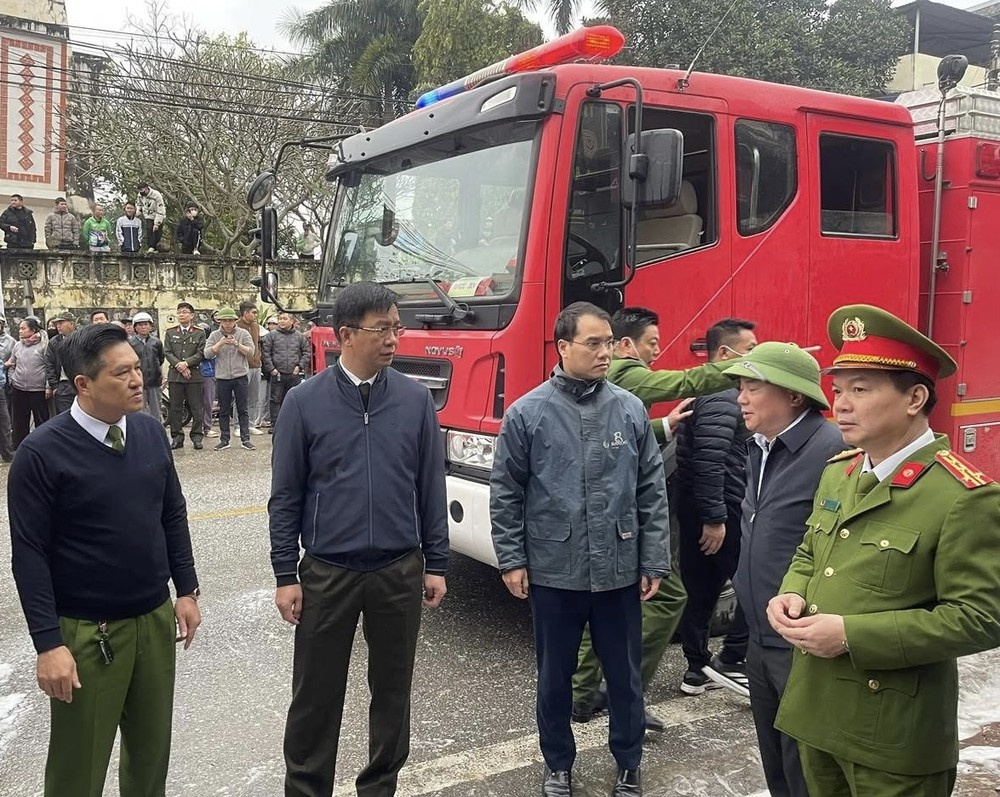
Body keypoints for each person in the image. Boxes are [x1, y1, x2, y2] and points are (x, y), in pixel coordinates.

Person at [767, 305, 1000, 796]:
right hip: (818, 712)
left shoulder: (963, 496)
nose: (841, 405)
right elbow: (811, 550)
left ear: (915, 397)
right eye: (837, 390)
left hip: (893, 733)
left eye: (861, 389)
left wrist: (852, 634)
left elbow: (981, 618)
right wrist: (790, 592)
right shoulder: (841, 471)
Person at [270, 281, 448, 797]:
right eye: (382, 329)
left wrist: (435, 563)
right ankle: (306, 788)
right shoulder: (304, 403)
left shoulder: (415, 400)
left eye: (397, 327)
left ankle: (380, 785)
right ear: (346, 334)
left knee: (392, 692)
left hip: (398, 569)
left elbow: (429, 489)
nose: (395, 338)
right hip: (328, 571)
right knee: (315, 695)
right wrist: (286, 574)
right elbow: (285, 496)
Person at [8, 322, 201, 797]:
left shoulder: (151, 434)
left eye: (138, 368)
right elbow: (28, 553)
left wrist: (187, 589)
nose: (138, 380)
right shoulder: (42, 453)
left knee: (151, 755)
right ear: (83, 384)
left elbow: (171, 514)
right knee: (80, 763)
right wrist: (48, 644)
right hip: (87, 632)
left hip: (153, 621)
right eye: (122, 373)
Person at [491, 301, 669, 797]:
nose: (605, 352)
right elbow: (507, 492)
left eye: (609, 342)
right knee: (554, 678)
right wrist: (512, 559)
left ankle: (629, 763)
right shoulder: (528, 412)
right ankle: (558, 765)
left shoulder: (629, 408)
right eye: (593, 343)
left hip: (617, 569)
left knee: (625, 676)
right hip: (554, 570)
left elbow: (650, 489)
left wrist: (653, 557)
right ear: (562, 346)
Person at [571, 306, 740, 726]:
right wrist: (752, 365)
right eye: (651, 344)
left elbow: (622, 436)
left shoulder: (604, 387)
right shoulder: (626, 372)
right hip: (618, 514)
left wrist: (664, 425)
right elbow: (685, 380)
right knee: (666, 597)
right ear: (626, 345)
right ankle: (620, 692)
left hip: (607, 513)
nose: (657, 353)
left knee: (608, 600)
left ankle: (586, 692)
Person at [721, 341, 845, 797]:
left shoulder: (833, 451)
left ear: (794, 396)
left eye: (753, 387)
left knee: (807, 771)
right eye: (740, 387)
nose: (741, 398)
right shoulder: (761, 446)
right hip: (761, 637)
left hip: (801, 641)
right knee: (776, 764)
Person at [675, 318, 757, 697]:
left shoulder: (723, 396)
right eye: (751, 349)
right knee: (752, 585)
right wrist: (715, 519)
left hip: (705, 507)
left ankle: (698, 668)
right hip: (719, 509)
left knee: (702, 588)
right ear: (725, 354)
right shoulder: (723, 398)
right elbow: (709, 461)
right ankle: (731, 659)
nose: (757, 357)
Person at [204, 306, 255, 451]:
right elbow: (207, 354)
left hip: (240, 376)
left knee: (242, 409)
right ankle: (224, 440)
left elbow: (251, 352)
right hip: (222, 377)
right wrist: (219, 344)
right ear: (220, 321)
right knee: (224, 410)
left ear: (235, 320)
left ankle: (245, 439)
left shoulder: (243, 333)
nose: (227, 323)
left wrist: (237, 344)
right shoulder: (214, 335)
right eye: (224, 321)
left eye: (230, 320)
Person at [163, 302, 206, 450]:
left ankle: (197, 437)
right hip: (176, 375)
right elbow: (167, 352)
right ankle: (177, 437)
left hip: (194, 375)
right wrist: (180, 366)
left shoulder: (199, 332)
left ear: (192, 315)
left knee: (196, 408)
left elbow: (201, 352)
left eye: (185, 312)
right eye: (179, 312)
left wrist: (186, 363)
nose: (182, 314)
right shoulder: (170, 332)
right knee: (176, 408)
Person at [262, 311, 311, 432]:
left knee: (294, 400)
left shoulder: (300, 337)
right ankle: (275, 425)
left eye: (285, 318)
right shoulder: (271, 336)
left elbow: (306, 352)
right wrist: (271, 369)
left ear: (292, 321)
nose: (282, 321)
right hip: (277, 373)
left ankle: (293, 424)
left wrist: (299, 366)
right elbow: (266, 353)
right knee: (275, 400)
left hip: (293, 374)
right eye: (280, 318)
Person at [6, 317, 50, 447]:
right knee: (20, 421)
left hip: (38, 390)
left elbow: (49, 366)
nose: (20, 331)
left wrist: (48, 386)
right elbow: (12, 364)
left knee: (41, 421)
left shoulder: (43, 345)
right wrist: (13, 379)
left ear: (33, 329)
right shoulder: (18, 345)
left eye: (23, 328)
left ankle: (43, 446)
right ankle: (20, 447)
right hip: (19, 389)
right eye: (19, 328)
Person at [129, 311, 165, 420]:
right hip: (139, 382)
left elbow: (161, 358)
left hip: (154, 382)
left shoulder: (156, 342)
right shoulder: (131, 343)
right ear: (135, 327)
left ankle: (157, 434)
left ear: (150, 326)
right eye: (140, 325)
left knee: (156, 411)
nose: (143, 327)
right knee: (140, 411)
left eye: (146, 324)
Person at [236, 302, 264, 436]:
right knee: (241, 397)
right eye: (253, 312)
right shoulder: (236, 326)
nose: (255, 315)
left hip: (256, 365)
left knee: (254, 397)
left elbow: (258, 343)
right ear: (245, 313)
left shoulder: (255, 326)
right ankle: (238, 425)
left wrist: (259, 358)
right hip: (242, 366)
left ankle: (251, 424)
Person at [44, 311, 78, 415]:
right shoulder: (54, 342)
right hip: (63, 386)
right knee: (65, 416)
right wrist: (54, 385)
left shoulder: (81, 338)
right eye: (57, 324)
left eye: (61, 323)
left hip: (80, 384)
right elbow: (49, 363)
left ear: (71, 324)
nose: (58, 326)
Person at [197, 323, 217, 438]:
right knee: (196, 404)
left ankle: (207, 427)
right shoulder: (193, 341)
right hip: (195, 374)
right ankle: (198, 428)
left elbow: (209, 355)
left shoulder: (211, 343)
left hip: (208, 374)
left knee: (208, 402)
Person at [137, 182, 167, 253]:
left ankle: (156, 247)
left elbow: (160, 209)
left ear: (146, 188)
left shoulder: (156, 195)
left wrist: (157, 223)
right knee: (149, 229)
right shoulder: (140, 195)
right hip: (148, 215)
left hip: (158, 214)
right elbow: (139, 204)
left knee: (157, 231)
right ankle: (150, 246)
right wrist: (139, 211)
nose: (141, 192)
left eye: (142, 190)